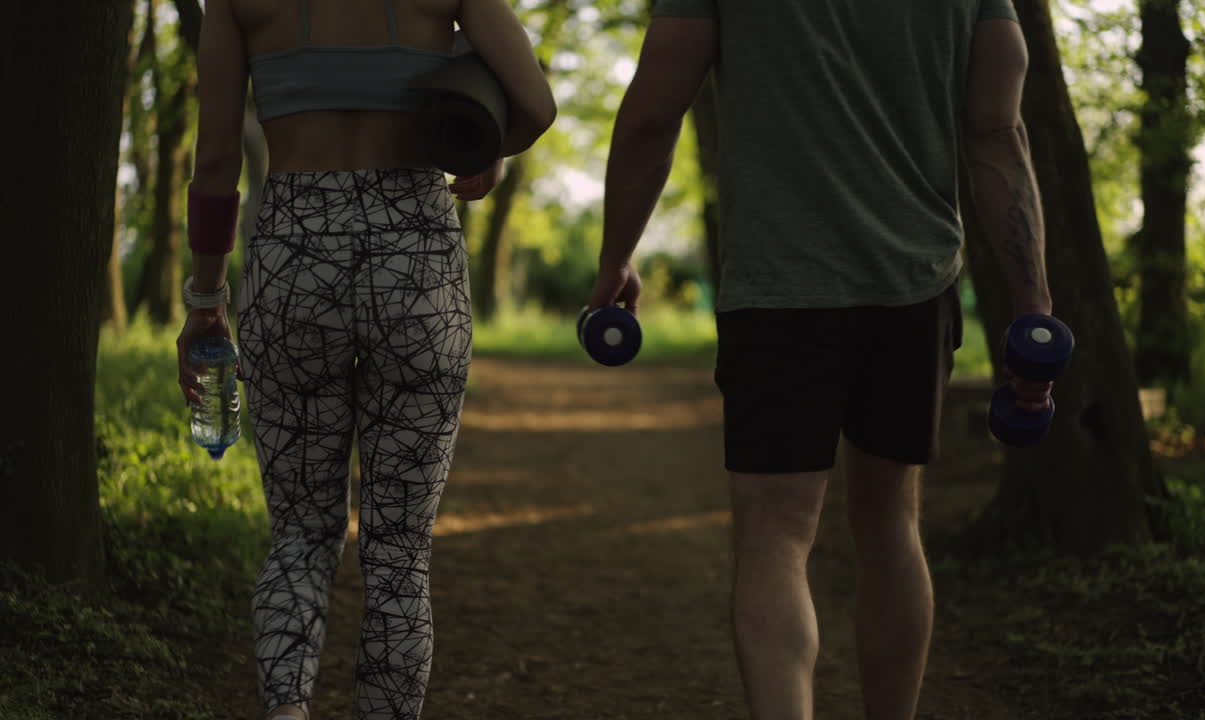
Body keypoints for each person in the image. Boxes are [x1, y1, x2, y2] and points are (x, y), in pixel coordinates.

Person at [587, 1, 1053, 719]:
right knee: (892, 522)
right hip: (913, 284)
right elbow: (997, 131)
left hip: (778, 288)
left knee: (775, 538)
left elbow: (653, 113)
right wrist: (1033, 309)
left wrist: (617, 255)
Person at [175, 1, 555, 719]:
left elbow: (218, 157)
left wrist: (205, 296)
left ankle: (287, 709)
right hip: (415, 261)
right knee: (399, 551)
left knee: (300, 534)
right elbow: (536, 103)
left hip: (293, 258)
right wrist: (485, 147)